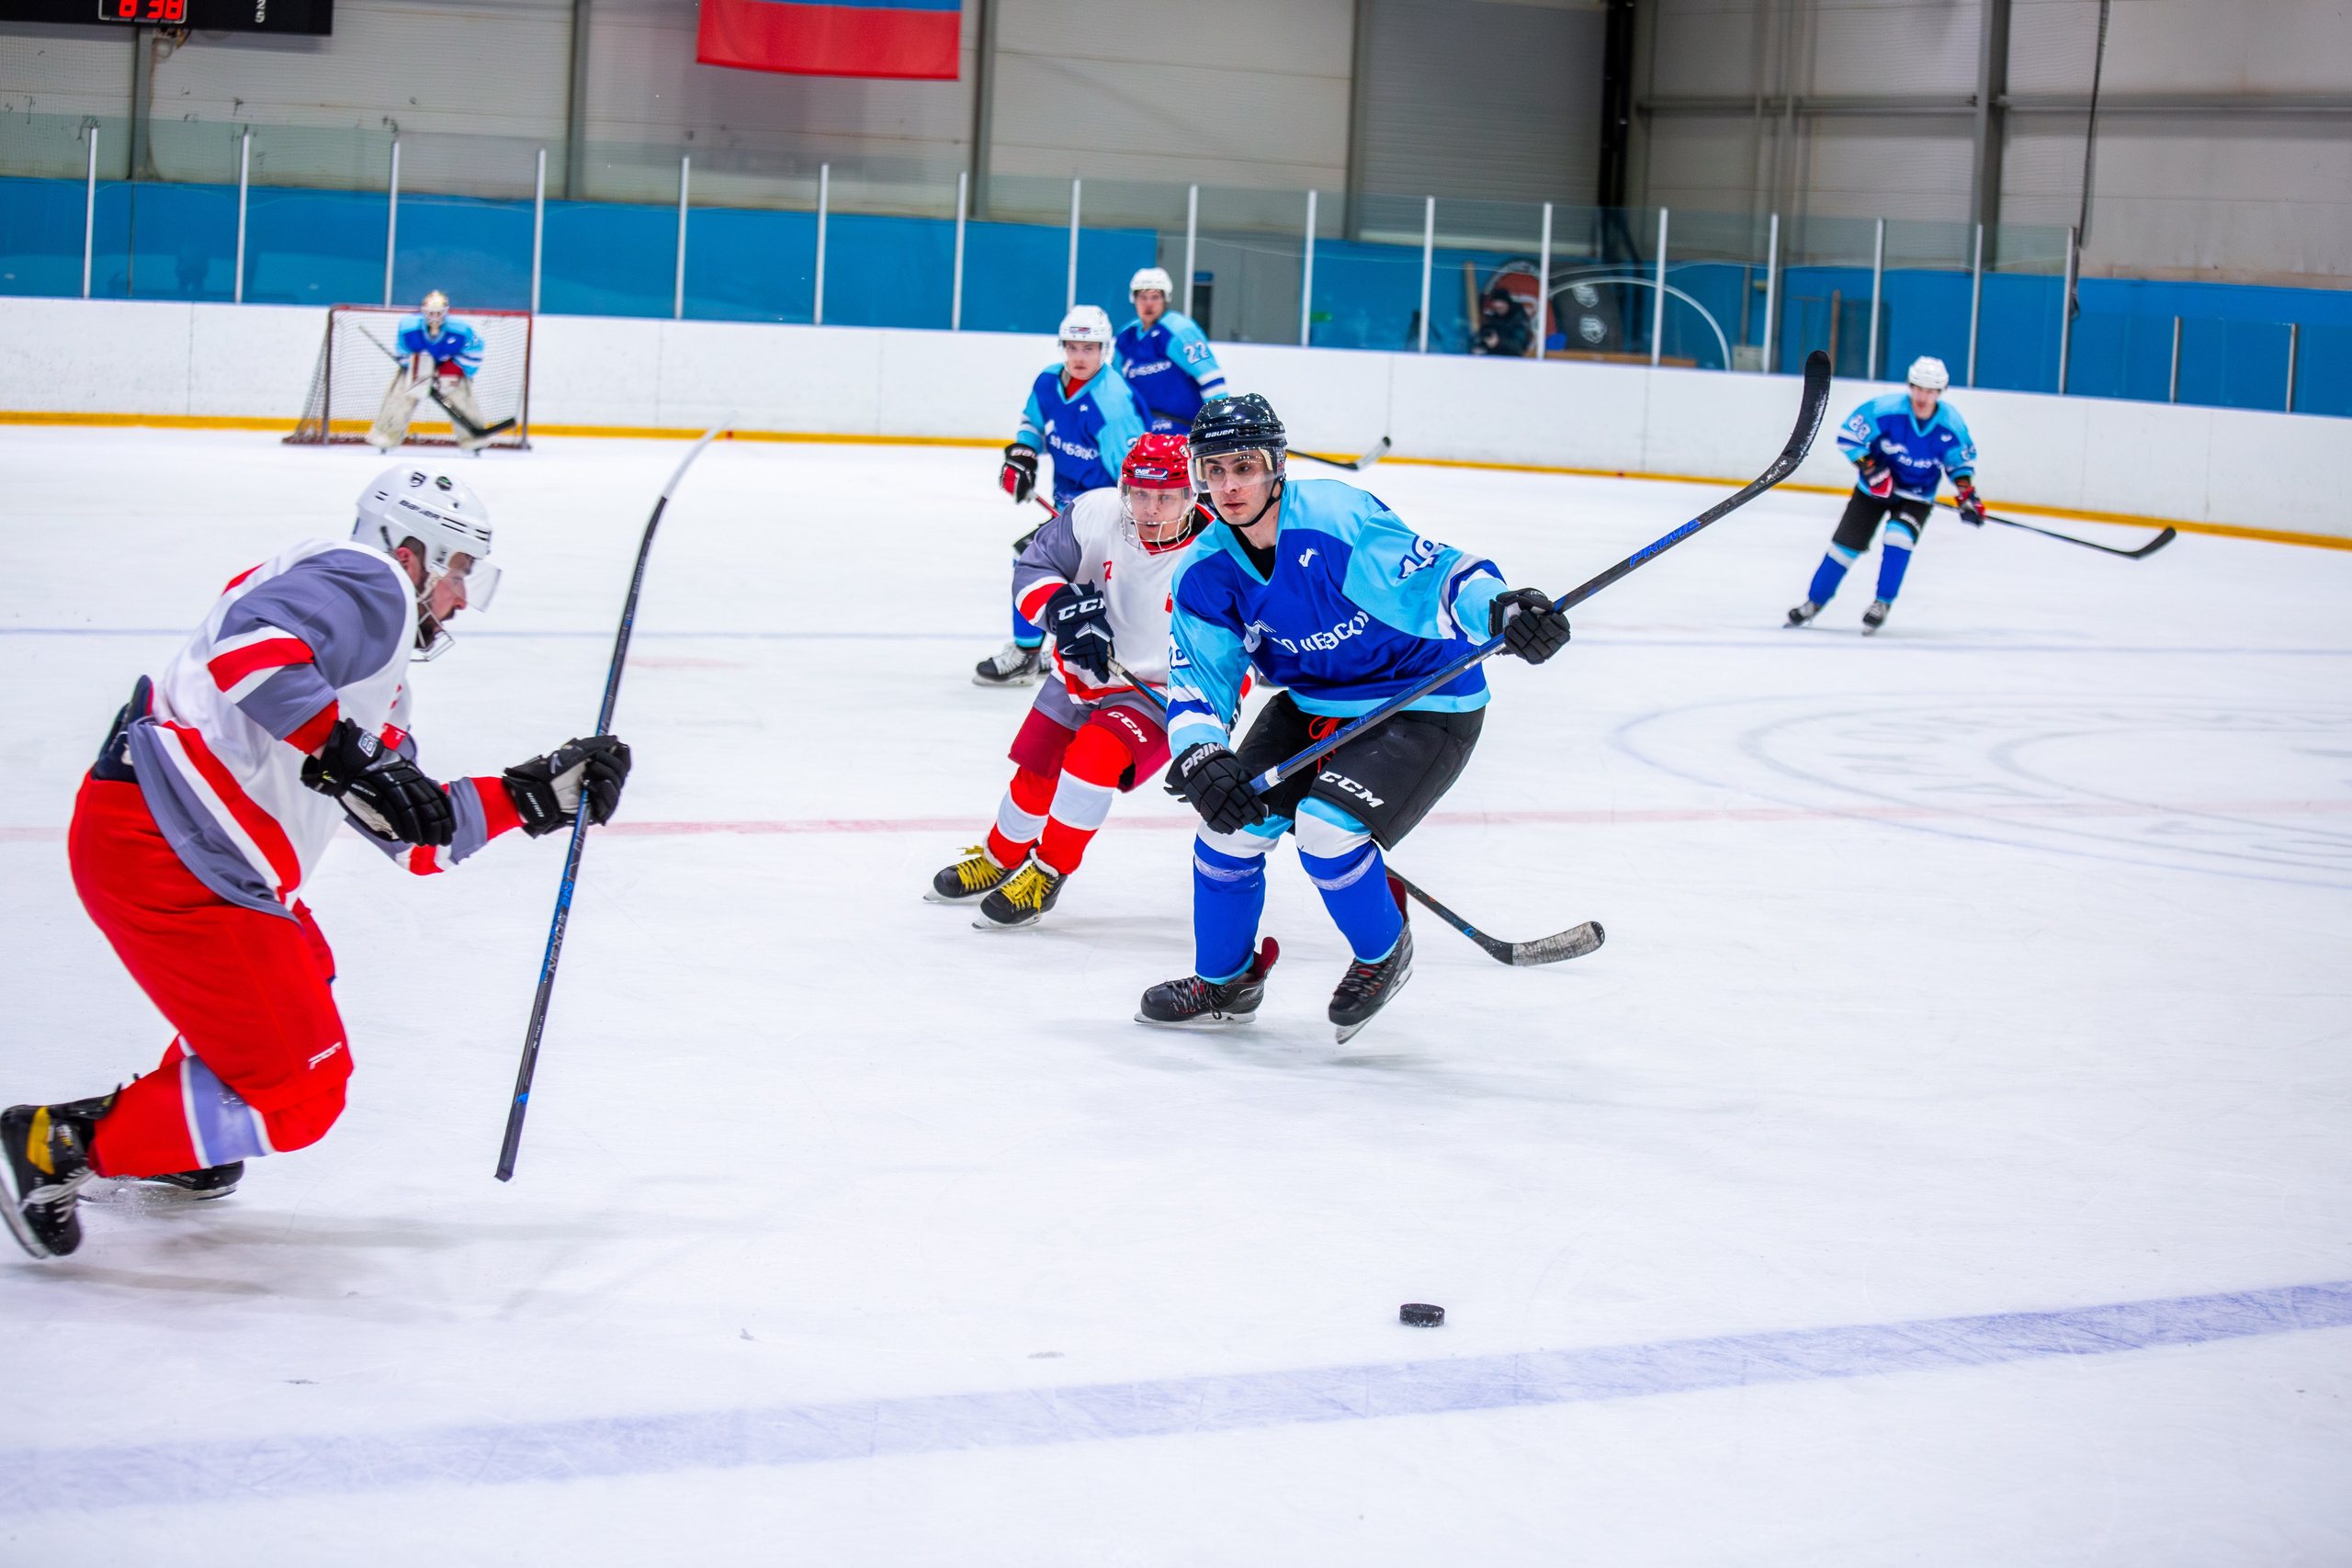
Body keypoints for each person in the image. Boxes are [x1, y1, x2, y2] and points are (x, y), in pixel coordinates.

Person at [1, 468, 633, 1260]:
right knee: (304, 1094)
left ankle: (181, 1134)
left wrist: (534, 794)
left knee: (304, 966)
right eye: (460, 572)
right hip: (168, 852)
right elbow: (252, 650)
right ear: (414, 552)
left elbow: (414, 832)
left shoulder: (376, 672)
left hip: (185, 854)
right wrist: (349, 757)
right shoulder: (372, 581)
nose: (462, 598)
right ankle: (59, 1145)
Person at [1140, 395, 1572, 1043]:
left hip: (1424, 698)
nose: (1229, 486)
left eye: (1244, 466)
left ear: (1276, 466)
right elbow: (1200, 673)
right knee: (1227, 830)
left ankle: (1381, 952)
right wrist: (1200, 751)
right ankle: (1225, 978)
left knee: (1326, 829)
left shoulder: (1336, 520)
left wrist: (1504, 611)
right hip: (1314, 703)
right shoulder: (1205, 570)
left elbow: (1441, 578)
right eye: (1214, 470)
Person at [931, 434, 1209, 929]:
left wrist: (1207, 731)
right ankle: (1001, 858)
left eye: (1165, 495)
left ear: (1192, 493)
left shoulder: (1216, 554)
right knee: (1035, 772)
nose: (1149, 508)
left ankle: (1048, 871)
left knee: (1090, 762)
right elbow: (1034, 566)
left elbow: (1238, 655)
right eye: (1139, 493)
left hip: (1156, 695)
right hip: (1078, 674)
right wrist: (1061, 610)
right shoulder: (1094, 512)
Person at [978, 305, 1150, 688]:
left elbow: (1137, 476)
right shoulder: (1047, 383)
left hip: (1107, 512)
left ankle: (1029, 653)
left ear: (1105, 350)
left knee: (1032, 558)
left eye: (1089, 348)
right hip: (1068, 509)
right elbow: (1032, 426)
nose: (1079, 356)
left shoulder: (1113, 404)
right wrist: (1023, 453)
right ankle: (1041, 650)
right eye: (1072, 347)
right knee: (1045, 562)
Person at [1787, 355, 1982, 634]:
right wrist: (1871, 469)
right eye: (1918, 389)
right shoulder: (1884, 410)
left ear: (1940, 392)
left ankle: (1882, 603)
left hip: (1916, 496)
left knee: (1898, 537)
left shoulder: (1951, 425)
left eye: (1930, 391)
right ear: (1910, 386)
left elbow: (1959, 464)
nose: (1923, 397)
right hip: (1871, 493)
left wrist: (1966, 495)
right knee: (1844, 549)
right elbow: (1848, 437)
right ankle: (1813, 603)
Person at [370, 291, 492, 455]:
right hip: (418, 366)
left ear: (445, 312)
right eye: (431, 313)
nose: (434, 317)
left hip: (449, 367)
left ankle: (474, 439)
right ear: (423, 312)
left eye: (438, 313)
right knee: (400, 396)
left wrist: (452, 368)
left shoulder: (461, 330)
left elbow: (475, 353)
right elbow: (403, 353)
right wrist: (422, 369)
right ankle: (385, 436)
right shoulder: (408, 327)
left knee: (462, 397)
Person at [1114, 267, 1226, 434]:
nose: (1148, 304)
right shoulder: (1125, 337)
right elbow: (1116, 387)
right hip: (1143, 432)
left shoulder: (1179, 330)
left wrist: (1219, 424)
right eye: (1142, 298)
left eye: (1155, 297)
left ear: (1166, 299)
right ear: (1134, 299)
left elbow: (1210, 377)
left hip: (1184, 432)